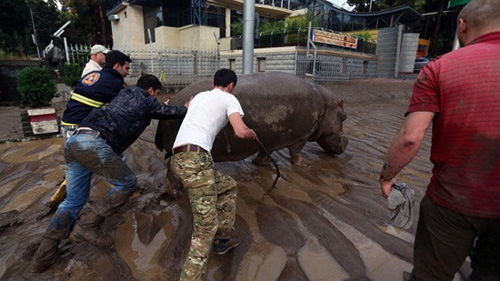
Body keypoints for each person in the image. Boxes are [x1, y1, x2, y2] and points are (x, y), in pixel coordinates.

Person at [379, 0, 500, 280]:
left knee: (431, 275)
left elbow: (410, 138)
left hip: (452, 202)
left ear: (462, 25)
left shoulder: (440, 68)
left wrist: (387, 176)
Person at [29, 75, 189, 273]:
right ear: (150, 90)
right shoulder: (145, 99)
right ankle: (89, 224)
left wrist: (157, 106)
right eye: (155, 94)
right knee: (128, 183)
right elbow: (168, 111)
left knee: (73, 201)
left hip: (75, 142)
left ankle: (43, 256)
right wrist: (185, 107)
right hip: (94, 145)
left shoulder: (124, 94)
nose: (154, 98)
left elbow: (153, 109)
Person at [170, 68, 258, 281]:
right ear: (231, 86)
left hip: (178, 159)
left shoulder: (200, 96)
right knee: (205, 229)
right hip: (196, 161)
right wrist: (251, 133)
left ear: (213, 83)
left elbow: (190, 108)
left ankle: (223, 238)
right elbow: (239, 130)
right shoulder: (230, 99)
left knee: (227, 185)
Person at [60, 50, 131, 139]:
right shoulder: (112, 82)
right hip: (79, 130)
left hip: (67, 125)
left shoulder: (95, 74)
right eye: (126, 68)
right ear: (117, 66)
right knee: (108, 150)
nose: (127, 73)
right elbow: (128, 105)